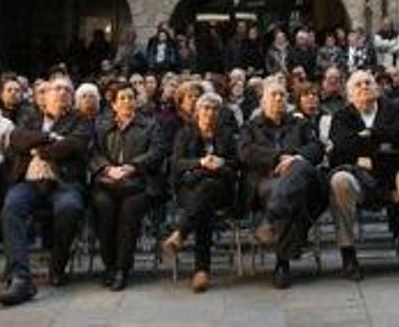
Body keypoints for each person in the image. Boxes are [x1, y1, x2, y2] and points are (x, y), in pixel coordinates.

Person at [0, 78, 91, 306]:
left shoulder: (79, 119)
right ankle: (21, 278)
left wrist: (41, 147)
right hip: (29, 182)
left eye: (68, 90)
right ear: (45, 96)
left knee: (70, 207)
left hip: (63, 182)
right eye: (57, 89)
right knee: (11, 208)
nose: (62, 93)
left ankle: (57, 265)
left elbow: (74, 145)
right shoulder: (31, 117)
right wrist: (49, 137)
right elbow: (17, 140)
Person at [329, 70, 399, 280]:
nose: (364, 87)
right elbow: (342, 147)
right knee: (339, 181)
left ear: (377, 88)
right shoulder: (342, 116)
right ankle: (348, 254)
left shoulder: (393, 109)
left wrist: (370, 136)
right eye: (358, 85)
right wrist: (382, 145)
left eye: (368, 82)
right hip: (359, 178)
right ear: (350, 94)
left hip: (394, 172)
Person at [240, 77, 326, 289]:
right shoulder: (251, 127)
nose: (279, 98)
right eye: (273, 95)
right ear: (263, 101)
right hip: (266, 180)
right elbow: (245, 153)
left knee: (298, 168)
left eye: (282, 95)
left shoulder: (300, 123)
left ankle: (271, 220)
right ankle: (282, 262)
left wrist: (294, 159)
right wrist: (280, 158)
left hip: (303, 183)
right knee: (285, 192)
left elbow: (317, 148)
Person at [162, 92, 239, 293]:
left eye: (214, 109)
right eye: (206, 108)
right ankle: (201, 271)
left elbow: (236, 165)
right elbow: (177, 164)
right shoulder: (185, 133)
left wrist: (220, 164)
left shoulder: (226, 135)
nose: (210, 113)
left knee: (207, 190)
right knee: (204, 207)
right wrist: (201, 163)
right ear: (197, 111)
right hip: (189, 188)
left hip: (221, 189)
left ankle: (180, 233)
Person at [90, 82, 158, 291]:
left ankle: (122, 268)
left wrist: (131, 167)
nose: (128, 102)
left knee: (130, 211)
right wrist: (107, 169)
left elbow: (156, 153)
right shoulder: (101, 125)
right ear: (113, 104)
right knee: (104, 208)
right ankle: (109, 265)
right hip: (107, 181)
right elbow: (92, 152)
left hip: (137, 183)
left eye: (131, 97)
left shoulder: (149, 125)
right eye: (122, 98)